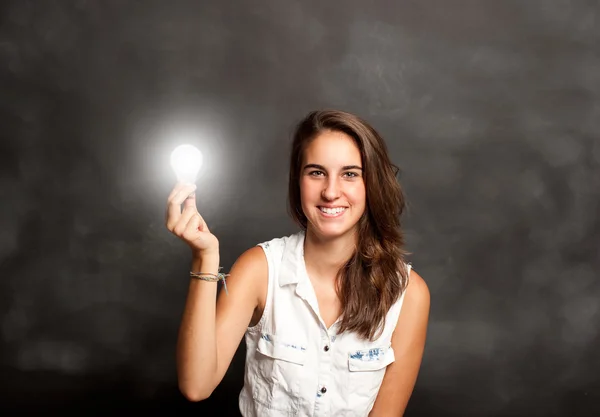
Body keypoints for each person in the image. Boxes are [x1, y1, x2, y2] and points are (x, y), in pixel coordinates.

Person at [165, 109, 430, 416]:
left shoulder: (409, 295)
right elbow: (196, 386)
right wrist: (205, 257)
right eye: (316, 172)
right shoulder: (259, 270)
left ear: (372, 184)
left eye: (350, 174)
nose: (331, 192)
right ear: (298, 181)